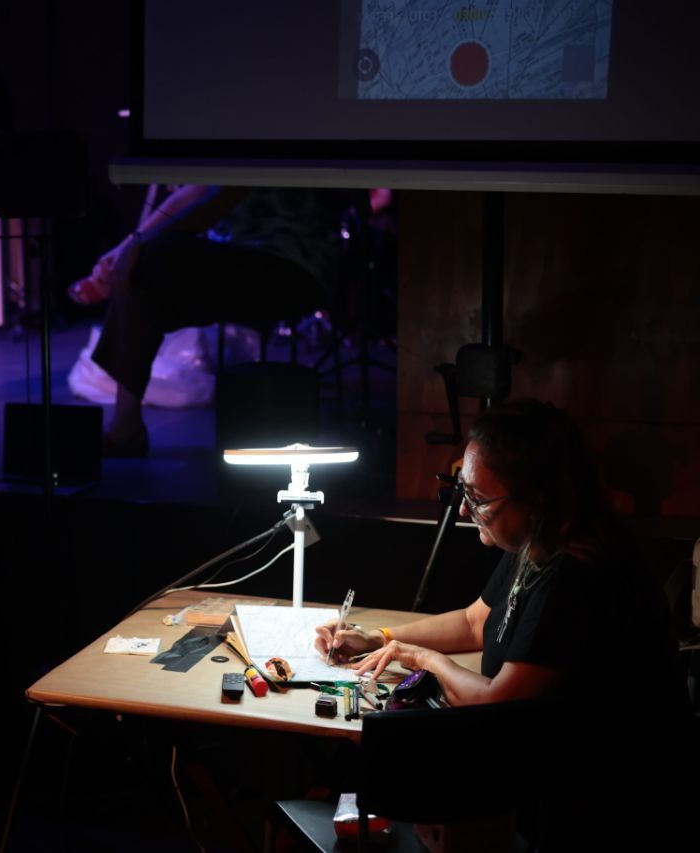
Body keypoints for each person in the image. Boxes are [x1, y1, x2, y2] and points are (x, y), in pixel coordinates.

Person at [315, 398, 689, 845]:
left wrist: (423, 659)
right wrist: (377, 636)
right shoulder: (539, 540)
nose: (465, 512)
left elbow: (498, 704)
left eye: (479, 498)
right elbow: (475, 622)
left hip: (609, 808)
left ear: (538, 499)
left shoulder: (576, 573)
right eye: (462, 490)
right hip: (552, 781)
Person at [75, 185, 342, 456]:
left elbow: (216, 199)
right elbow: (194, 191)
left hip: (293, 263)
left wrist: (136, 245)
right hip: (229, 256)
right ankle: (125, 424)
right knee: (139, 268)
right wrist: (125, 249)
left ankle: (125, 427)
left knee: (148, 258)